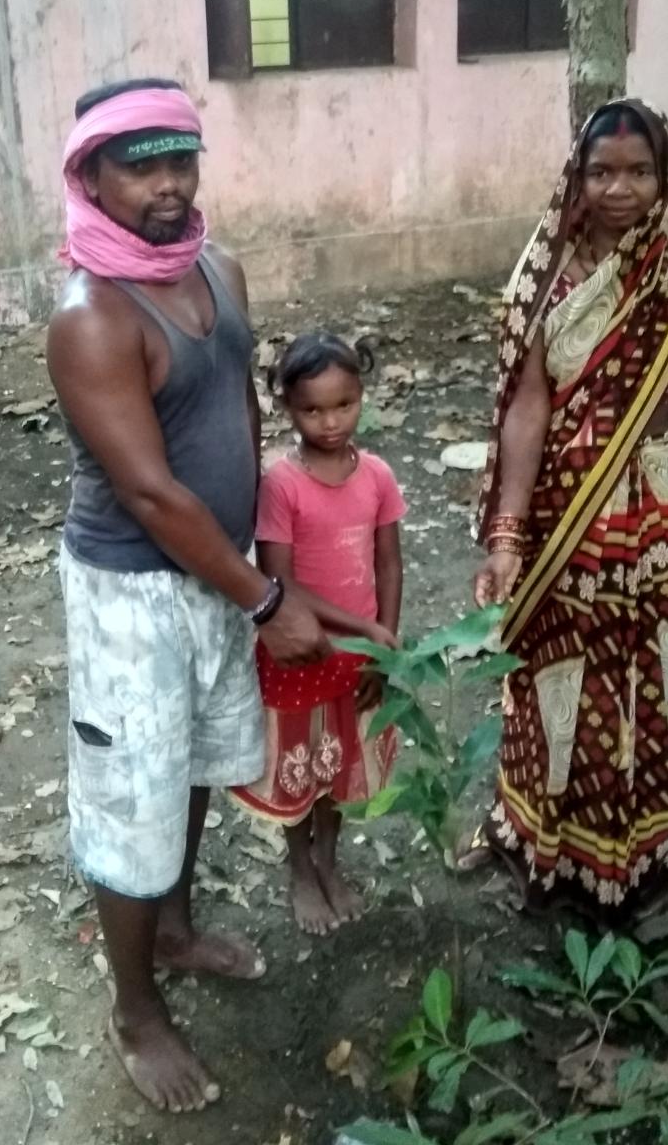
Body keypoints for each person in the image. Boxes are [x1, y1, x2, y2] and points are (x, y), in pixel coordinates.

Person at [46, 77, 329, 1113]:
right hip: (134, 593)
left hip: (222, 574)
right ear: (91, 176)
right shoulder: (91, 315)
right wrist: (264, 598)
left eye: (182, 157)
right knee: (134, 799)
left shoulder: (220, 268)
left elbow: (239, 421)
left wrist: (264, 550)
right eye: (141, 163)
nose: (169, 183)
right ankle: (134, 1006)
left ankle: (173, 927)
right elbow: (152, 491)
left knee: (196, 761)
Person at [464, 98, 668, 927]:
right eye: (603, 171)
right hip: (559, 520)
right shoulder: (547, 281)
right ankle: (534, 846)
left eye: (639, 171)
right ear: (576, 178)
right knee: (550, 680)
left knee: (639, 686)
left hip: (657, 516)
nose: (621, 189)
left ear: (664, 178)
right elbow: (526, 409)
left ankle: (630, 863)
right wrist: (508, 537)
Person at [230, 333, 405, 936]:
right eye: (312, 409)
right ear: (286, 407)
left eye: (344, 405)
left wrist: (386, 642)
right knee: (298, 765)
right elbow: (278, 583)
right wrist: (368, 627)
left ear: (362, 397)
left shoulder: (377, 475)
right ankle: (300, 866)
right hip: (300, 651)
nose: (330, 422)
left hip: (355, 658)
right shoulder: (282, 484)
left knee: (339, 762)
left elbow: (389, 563)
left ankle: (328, 859)